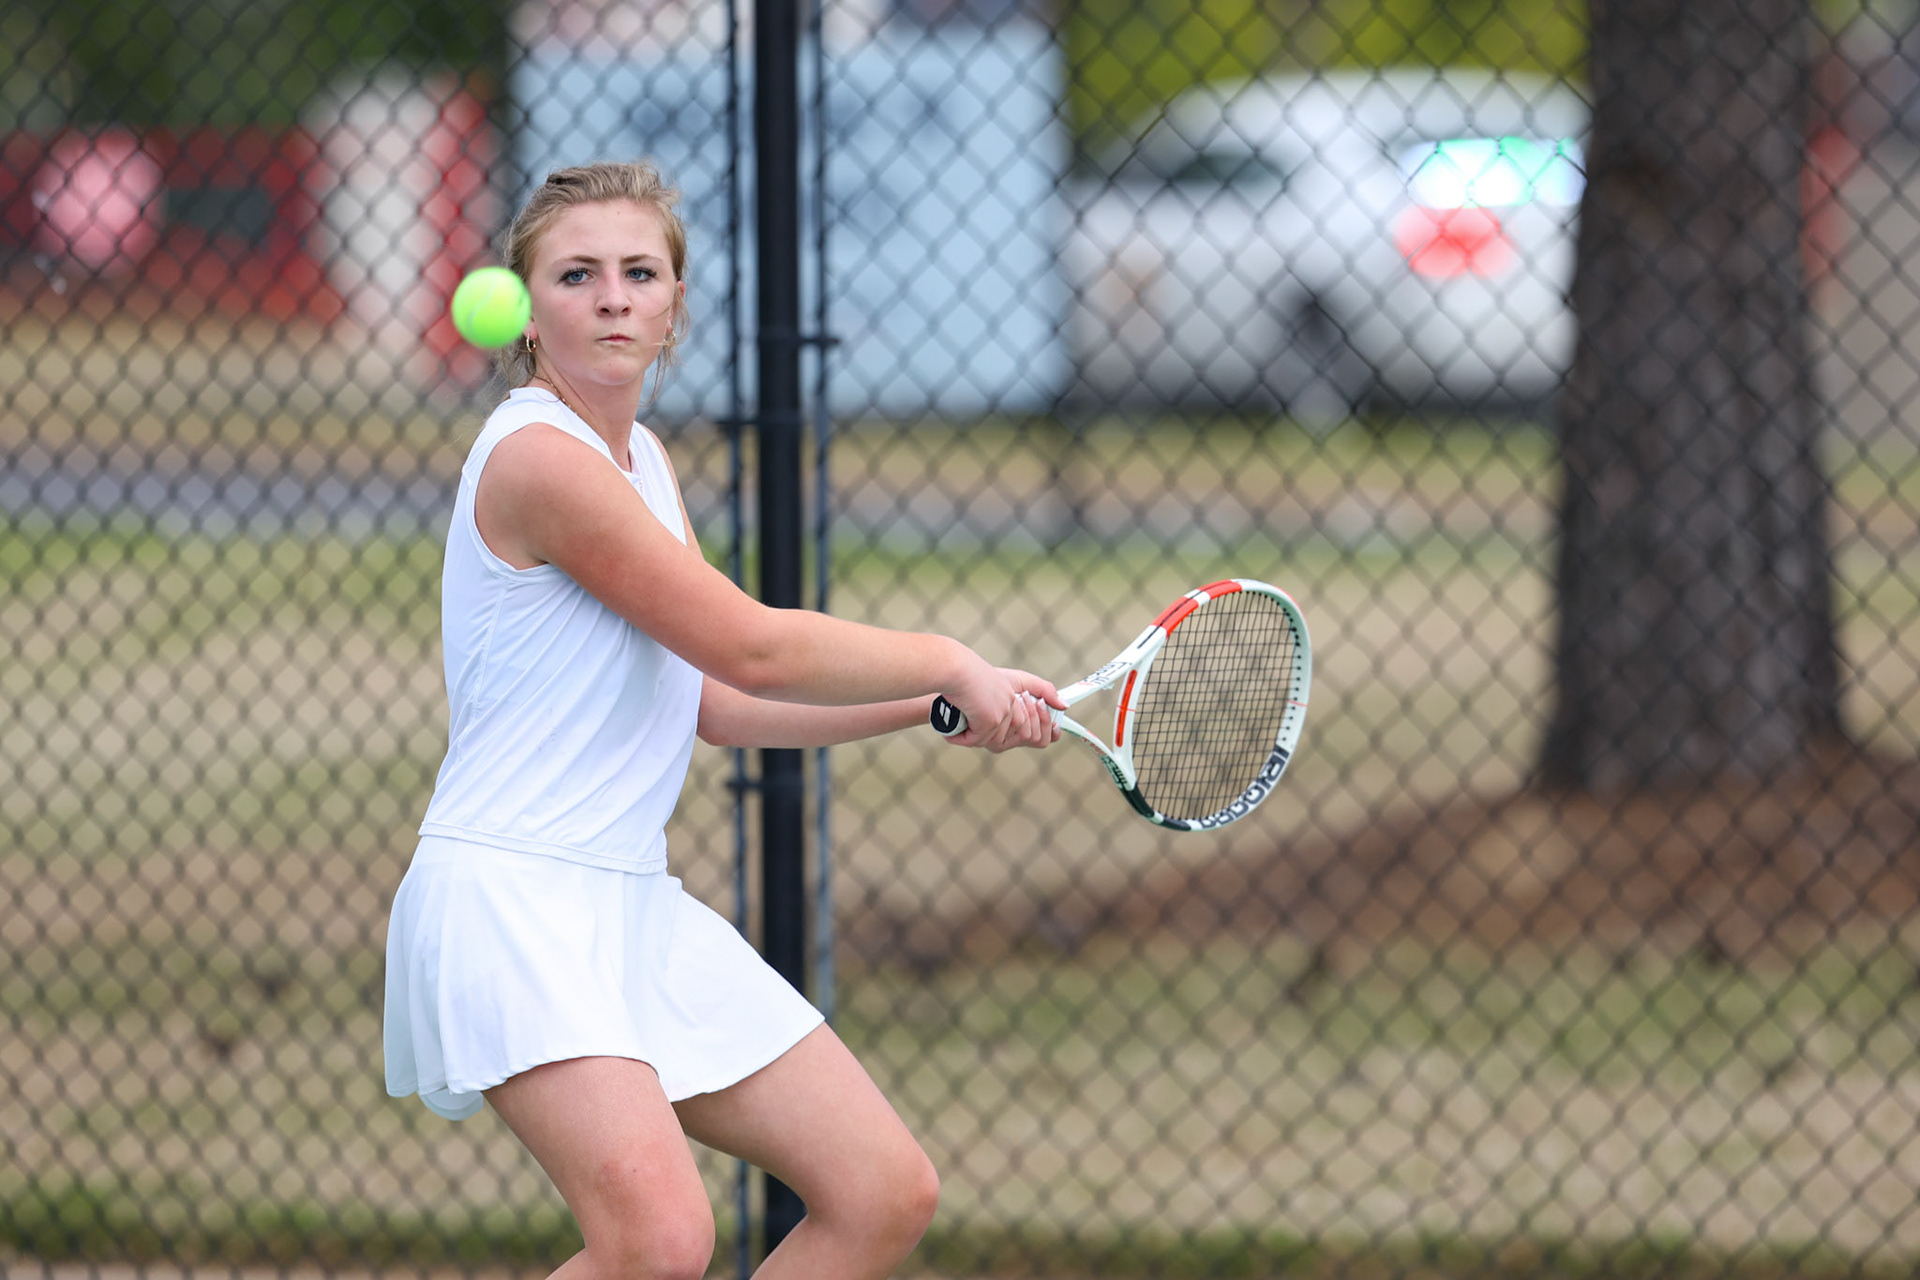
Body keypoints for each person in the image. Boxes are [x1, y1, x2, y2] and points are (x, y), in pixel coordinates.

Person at [382, 159, 1063, 1280]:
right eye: (577, 273)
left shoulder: (640, 456)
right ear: (529, 307)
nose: (612, 296)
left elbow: (723, 702)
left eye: (639, 272)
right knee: (656, 1242)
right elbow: (750, 640)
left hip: (629, 900)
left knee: (880, 1191)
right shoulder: (538, 457)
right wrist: (950, 653)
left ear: (673, 305)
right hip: (511, 896)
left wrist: (927, 703)